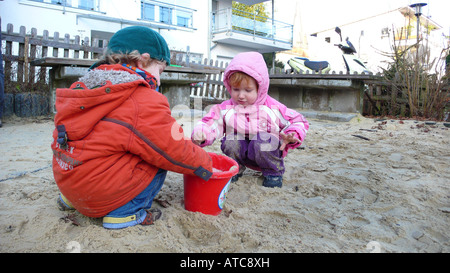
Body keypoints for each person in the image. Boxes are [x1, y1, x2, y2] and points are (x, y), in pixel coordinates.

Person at [52, 26, 213, 229]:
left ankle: (71, 199)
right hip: (101, 197)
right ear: (143, 60)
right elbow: (173, 149)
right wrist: (206, 164)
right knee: (157, 155)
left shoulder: (82, 88)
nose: (160, 79)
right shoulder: (140, 97)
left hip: (69, 184)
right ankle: (127, 213)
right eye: (160, 70)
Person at [191, 52, 309, 188]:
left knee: (264, 140)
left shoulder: (272, 108)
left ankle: (273, 172)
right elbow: (210, 122)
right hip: (242, 150)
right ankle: (236, 168)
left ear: (260, 88)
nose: (241, 95)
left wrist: (293, 133)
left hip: (267, 152)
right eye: (236, 89)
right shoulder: (226, 108)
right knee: (231, 140)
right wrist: (202, 133)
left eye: (248, 90)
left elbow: (298, 120)